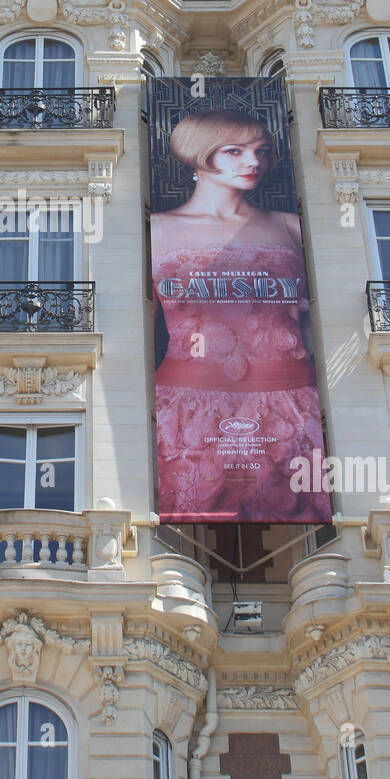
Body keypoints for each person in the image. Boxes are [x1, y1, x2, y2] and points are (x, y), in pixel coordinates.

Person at [151, 107, 329, 522]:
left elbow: (315, 324)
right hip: (187, 412)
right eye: (235, 151)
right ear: (199, 154)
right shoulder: (156, 230)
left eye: (261, 152)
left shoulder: (291, 227)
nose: (254, 163)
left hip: (293, 406)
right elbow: (141, 330)